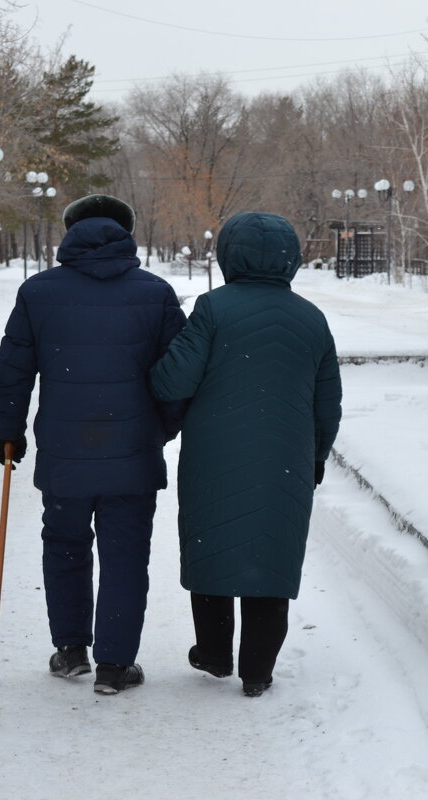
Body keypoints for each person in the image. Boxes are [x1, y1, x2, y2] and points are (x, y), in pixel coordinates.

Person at [0, 194, 186, 694]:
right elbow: (178, 376)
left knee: (65, 546)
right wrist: (158, 428)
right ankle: (116, 665)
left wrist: (7, 430)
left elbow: (12, 370)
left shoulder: (39, 292)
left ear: (69, 232)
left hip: (64, 451)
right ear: (127, 232)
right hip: (132, 454)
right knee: (125, 554)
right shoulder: (155, 293)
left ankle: (71, 649)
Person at [149, 211, 342, 697]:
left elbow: (173, 380)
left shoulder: (213, 309)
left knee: (211, 544)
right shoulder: (311, 318)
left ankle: (214, 652)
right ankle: (257, 670)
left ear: (229, 255)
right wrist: (317, 455)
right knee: (272, 556)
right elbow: (327, 400)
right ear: (291, 258)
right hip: (287, 458)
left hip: (214, 454)